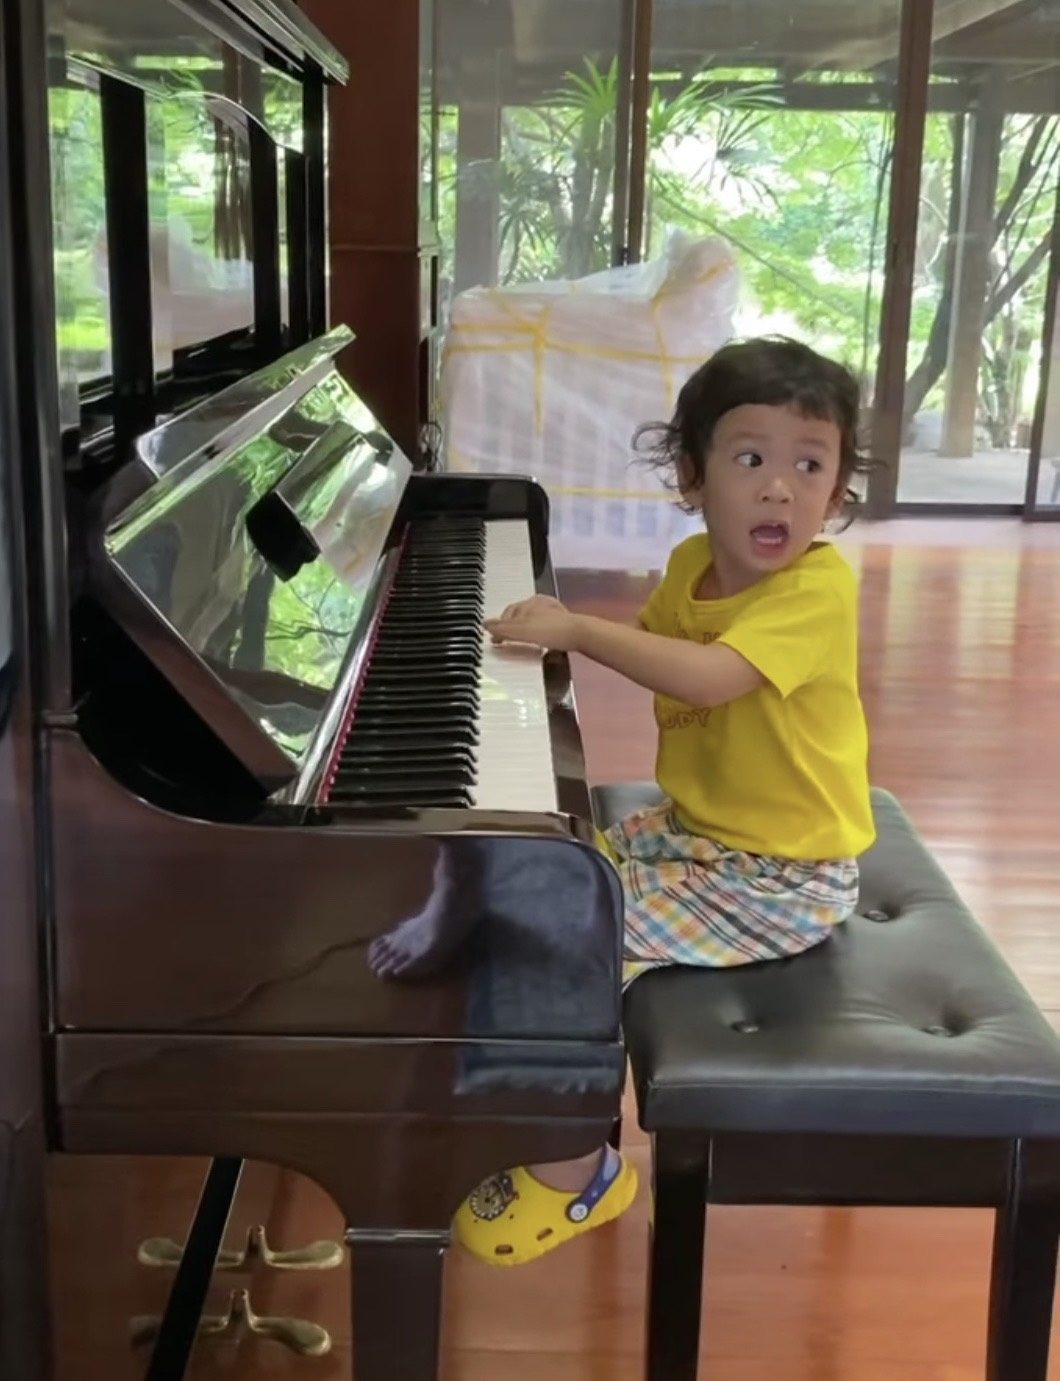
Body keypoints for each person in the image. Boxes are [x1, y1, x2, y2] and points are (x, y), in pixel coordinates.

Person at [452, 335, 877, 1267]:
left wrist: (574, 629)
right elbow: (658, 648)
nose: (780, 489)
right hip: (702, 833)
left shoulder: (817, 590)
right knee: (536, 872)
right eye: (751, 458)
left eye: (811, 466)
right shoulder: (691, 566)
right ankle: (518, 1091)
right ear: (692, 475)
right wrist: (535, 646)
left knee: (564, 934)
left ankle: (578, 1171)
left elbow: (709, 675)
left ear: (839, 492)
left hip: (780, 878)